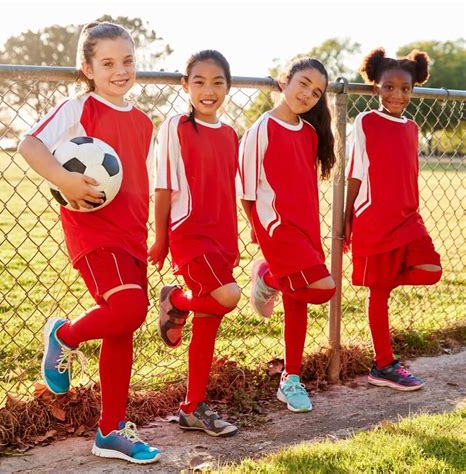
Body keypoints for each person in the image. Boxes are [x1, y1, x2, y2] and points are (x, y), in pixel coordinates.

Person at [18, 22, 160, 464]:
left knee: (123, 325)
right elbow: (29, 144)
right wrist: (63, 178)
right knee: (130, 309)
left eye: (128, 61)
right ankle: (64, 335)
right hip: (94, 230)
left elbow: (134, 180)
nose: (120, 71)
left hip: (132, 232)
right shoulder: (78, 108)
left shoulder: (141, 120)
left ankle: (111, 430)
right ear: (88, 68)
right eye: (108, 63)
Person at [149, 50, 240, 437]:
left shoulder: (231, 133)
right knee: (228, 296)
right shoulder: (176, 126)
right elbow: (164, 185)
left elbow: (226, 188)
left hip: (221, 237)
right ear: (185, 86)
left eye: (217, 82)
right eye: (199, 82)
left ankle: (192, 407)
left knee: (210, 320)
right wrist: (161, 238)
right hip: (191, 234)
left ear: (227, 88)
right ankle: (176, 300)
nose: (209, 90)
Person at [238, 58, 336, 413]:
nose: (308, 94)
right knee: (324, 289)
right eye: (304, 83)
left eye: (317, 92)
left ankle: (290, 379)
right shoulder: (260, 129)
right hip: (276, 228)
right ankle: (266, 274)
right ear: (285, 79)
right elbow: (247, 191)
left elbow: (306, 188)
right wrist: (258, 232)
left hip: (306, 229)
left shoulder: (310, 134)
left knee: (298, 301)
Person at [344, 48, 442, 391]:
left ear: (413, 90)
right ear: (376, 89)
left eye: (405, 89)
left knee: (432, 270)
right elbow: (355, 173)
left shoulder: (413, 127)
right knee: (379, 293)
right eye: (389, 88)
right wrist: (346, 218)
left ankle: (383, 279)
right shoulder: (366, 122)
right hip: (373, 218)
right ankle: (383, 364)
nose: (397, 95)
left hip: (408, 218)